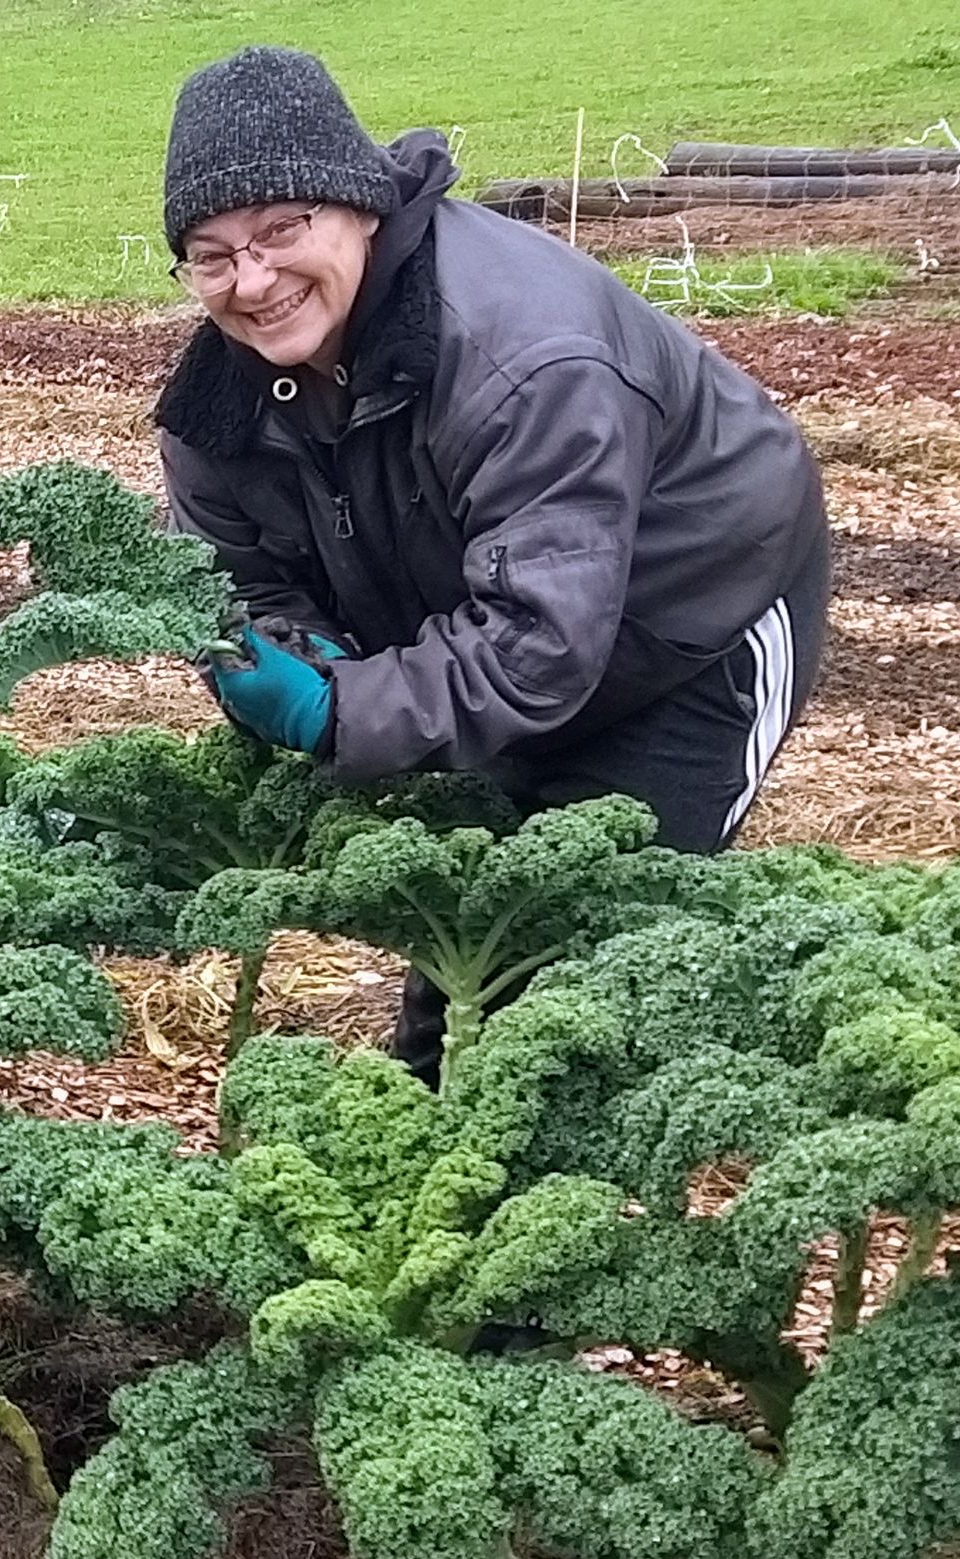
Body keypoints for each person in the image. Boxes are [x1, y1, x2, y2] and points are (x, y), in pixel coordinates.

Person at [154, 46, 835, 1077]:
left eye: (282, 230)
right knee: (476, 954)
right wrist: (288, 656)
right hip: (474, 624)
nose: (252, 281)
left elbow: (537, 644)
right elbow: (231, 587)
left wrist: (339, 710)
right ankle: (442, 1124)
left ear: (359, 207)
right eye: (211, 255)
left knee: (576, 967)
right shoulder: (215, 410)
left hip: (688, 629)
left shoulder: (525, 359)